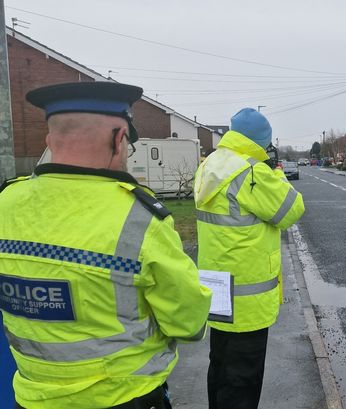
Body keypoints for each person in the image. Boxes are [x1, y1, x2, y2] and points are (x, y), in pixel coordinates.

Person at [0, 81, 212, 409]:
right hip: (123, 397)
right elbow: (189, 322)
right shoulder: (140, 220)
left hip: (30, 398)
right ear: (118, 139)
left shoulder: (6, 202)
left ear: (49, 140)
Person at [193, 108, 304, 409]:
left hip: (218, 290)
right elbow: (292, 209)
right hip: (248, 299)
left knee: (219, 367)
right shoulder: (251, 172)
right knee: (243, 379)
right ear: (261, 141)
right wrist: (275, 170)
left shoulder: (210, 165)